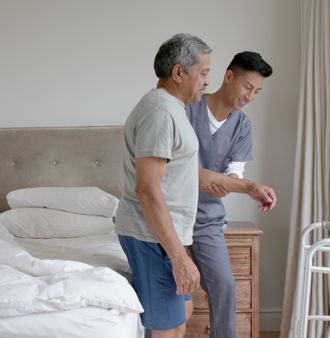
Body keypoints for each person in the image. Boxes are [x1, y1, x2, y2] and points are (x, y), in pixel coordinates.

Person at [114, 33, 212, 338]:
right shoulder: (159, 113)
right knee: (168, 327)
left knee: (182, 312)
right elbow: (147, 189)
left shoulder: (170, 109)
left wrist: (246, 186)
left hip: (165, 236)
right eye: (204, 72)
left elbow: (183, 173)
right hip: (150, 237)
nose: (208, 81)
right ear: (179, 72)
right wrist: (179, 258)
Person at [185, 51, 277, 338]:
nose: (250, 96)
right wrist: (235, 183)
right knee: (171, 296)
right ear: (228, 77)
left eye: (257, 92)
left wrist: (231, 182)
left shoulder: (243, 125)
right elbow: (173, 170)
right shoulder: (187, 109)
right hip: (172, 216)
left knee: (225, 286)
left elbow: (235, 171)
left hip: (208, 220)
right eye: (248, 87)